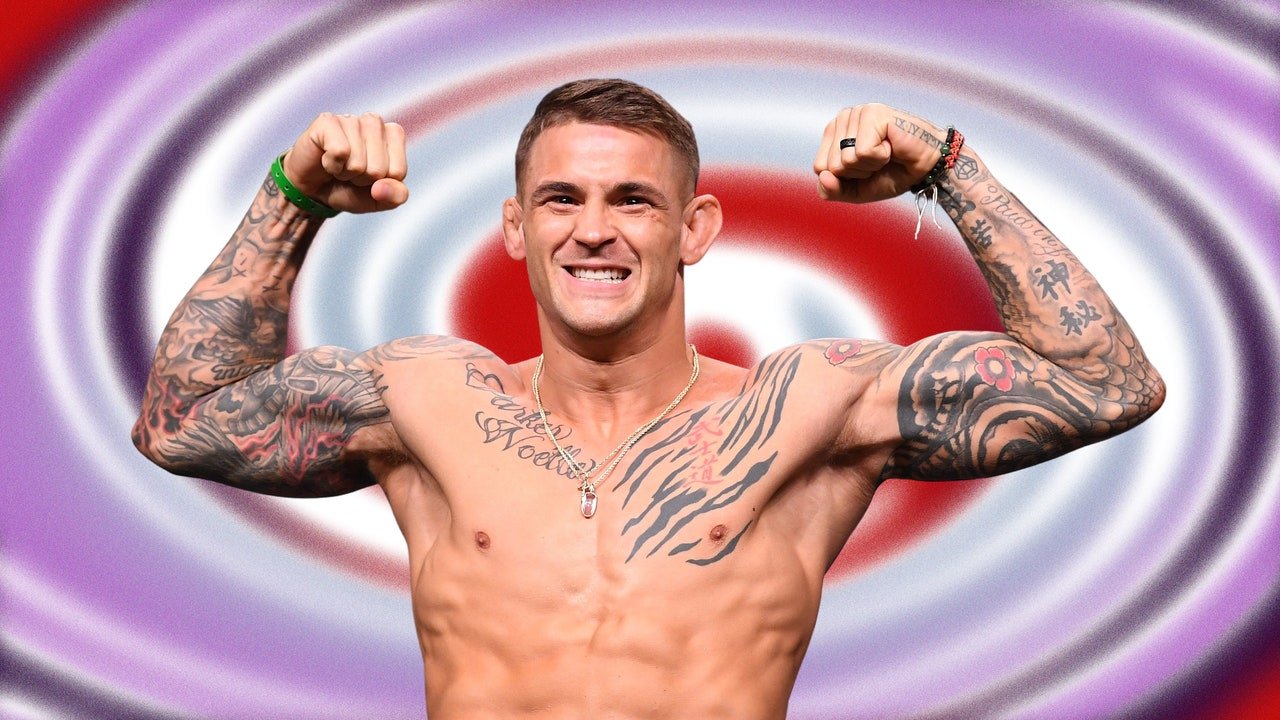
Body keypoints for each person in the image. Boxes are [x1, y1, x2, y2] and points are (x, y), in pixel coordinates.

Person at [132, 78, 1165, 718]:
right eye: (561, 200)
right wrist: (294, 199)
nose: (594, 230)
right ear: (514, 228)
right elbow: (181, 421)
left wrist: (949, 167)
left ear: (694, 229)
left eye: (633, 199)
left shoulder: (804, 409)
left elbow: (1104, 383)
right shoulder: (427, 401)